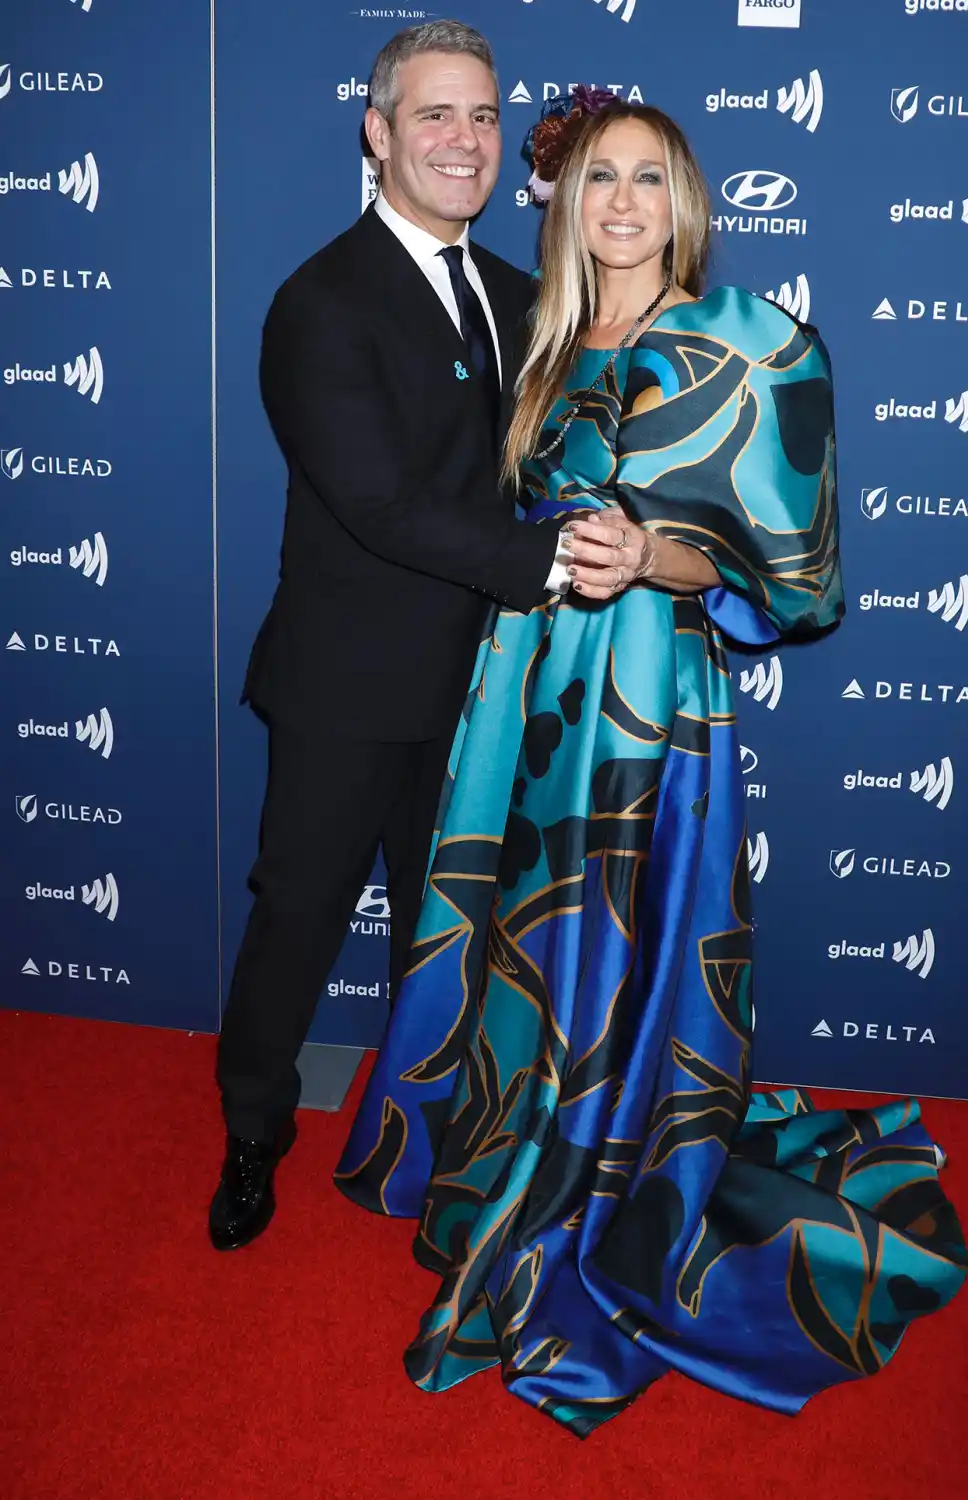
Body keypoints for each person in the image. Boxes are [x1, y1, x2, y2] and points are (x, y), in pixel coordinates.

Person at [335, 93, 968, 1435]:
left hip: (641, 694)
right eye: (599, 178)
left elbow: (788, 569)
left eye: (648, 179)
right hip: (525, 683)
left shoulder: (748, 342)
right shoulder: (545, 342)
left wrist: (651, 554)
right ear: (564, 202)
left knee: (614, 934)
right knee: (522, 929)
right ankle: (510, 1137)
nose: (621, 202)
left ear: (684, 203)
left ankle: (592, 1183)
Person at [209, 25, 620, 1252]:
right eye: (435, 114)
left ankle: (433, 1136)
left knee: (448, 935)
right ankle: (254, 1131)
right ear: (378, 132)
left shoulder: (513, 293)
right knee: (298, 918)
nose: (464, 139)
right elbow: (380, 502)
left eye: (483, 115)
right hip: (346, 687)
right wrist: (553, 563)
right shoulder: (321, 301)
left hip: (482, 689)